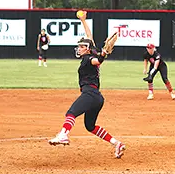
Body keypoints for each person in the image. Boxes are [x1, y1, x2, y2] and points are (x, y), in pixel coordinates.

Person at [48, 11, 126, 159]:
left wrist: (103, 55)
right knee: (90, 126)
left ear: (87, 49)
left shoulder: (88, 59)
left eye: (81, 46)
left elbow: (97, 61)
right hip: (97, 98)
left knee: (71, 113)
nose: (79, 48)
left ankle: (63, 135)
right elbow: (89, 37)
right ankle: (117, 143)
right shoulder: (92, 52)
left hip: (90, 94)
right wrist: (83, 20)